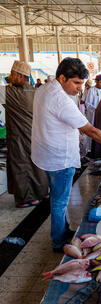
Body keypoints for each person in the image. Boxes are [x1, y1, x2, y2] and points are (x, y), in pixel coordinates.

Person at [31, 58, 101, 251]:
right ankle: (59, 241)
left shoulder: (43, 89)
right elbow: (92, 131)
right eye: (76, 83)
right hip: (59, 158)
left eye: (81, 83)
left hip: (45, 154)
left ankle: (62, 231)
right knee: (59, 201)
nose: (80, 88)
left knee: (57, 198)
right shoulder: (61, 99)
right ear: (62, 78)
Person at [0, 60, 48, 208]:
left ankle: (26, 198)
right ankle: (42, 192)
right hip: (36, 135)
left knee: (21, 166)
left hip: (19, 137)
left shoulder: (10, 93)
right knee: (37, 165)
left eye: (13, 74)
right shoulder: (36, 92)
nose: (10, 77)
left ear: (21, 76)